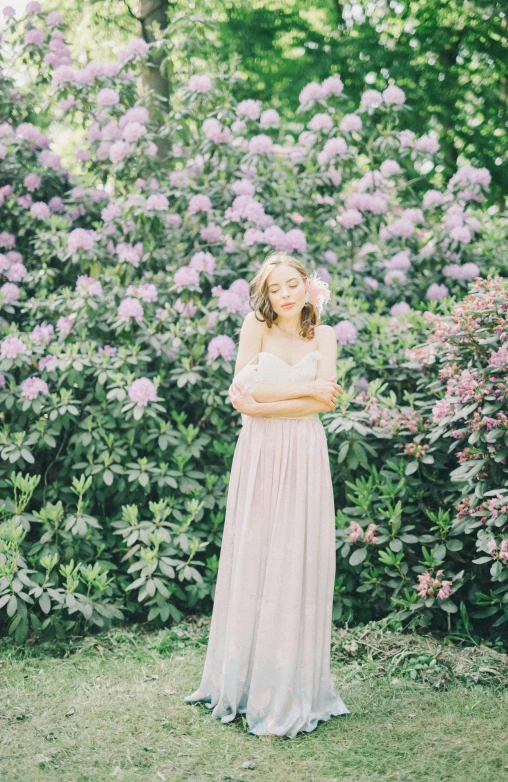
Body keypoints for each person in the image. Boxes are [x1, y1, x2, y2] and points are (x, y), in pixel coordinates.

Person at [183, 250, 351, 739]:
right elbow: (242, 397)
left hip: (304, 452)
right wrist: (301, 397)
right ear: (267, 294)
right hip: (260, 454)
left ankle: (292, 682)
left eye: (291, 284)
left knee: (295, 557)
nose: (285, 294)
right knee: (258, 551)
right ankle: (245, 680)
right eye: (275, 288)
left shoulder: (324, 335)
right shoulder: (254, 330)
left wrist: (266, 398)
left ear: (307, 286)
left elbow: (325, 396)